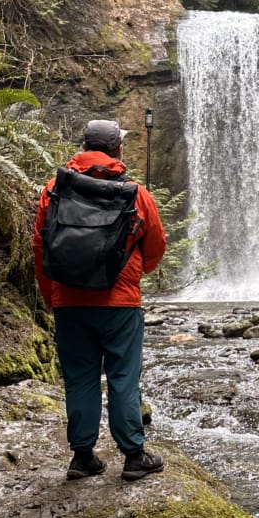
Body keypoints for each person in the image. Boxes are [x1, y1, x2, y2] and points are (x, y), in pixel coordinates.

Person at [33, 119, 167, 481]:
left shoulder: (53, 190)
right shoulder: (135, 193)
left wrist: (52, 297)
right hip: (120, 303)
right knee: (123, 376)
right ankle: (134, 456)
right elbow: (156, 246)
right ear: (118, 150)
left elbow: (40, 249)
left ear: (83, 146)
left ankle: (82, 457)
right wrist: (133, 275)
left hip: (68, 302)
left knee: (79, 378)